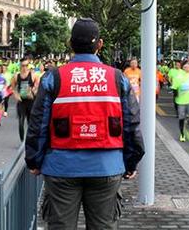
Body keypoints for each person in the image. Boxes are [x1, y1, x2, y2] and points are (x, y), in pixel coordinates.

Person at [25, 18, 144, 230]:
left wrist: (34, 160)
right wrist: (131, 161)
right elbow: (131, 123)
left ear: (70, 44)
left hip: (61, 168)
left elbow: (38, 123)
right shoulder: (118, 78)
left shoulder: (53, 77)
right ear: (100, 45)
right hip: (106, 168)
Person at [172, 62, 189, 143]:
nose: (186, 68)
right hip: (181, 101)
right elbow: (174, 88)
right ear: (182, 67)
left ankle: (187, 124)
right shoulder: (178, 76)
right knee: (181, 118)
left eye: (188, 66)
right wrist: (176, 98)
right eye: (185, 67)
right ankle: (182, 134)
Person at [11, 58, 36, 141]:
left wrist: (33, 91)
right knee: (21, 121)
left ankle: (29, 139)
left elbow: (38, 86)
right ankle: (22, 141)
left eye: (26, 65)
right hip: (21, 101)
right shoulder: (16, 76)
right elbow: (13, 88)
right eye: (23, 66)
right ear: (20, 66)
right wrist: (16, 95)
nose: (24, 67)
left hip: (31, 101)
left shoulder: (33, 75)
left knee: (30, 122)